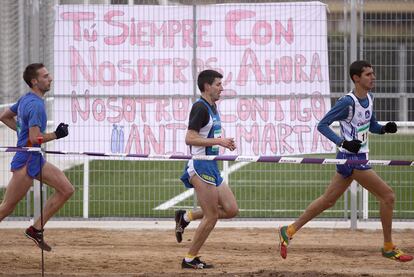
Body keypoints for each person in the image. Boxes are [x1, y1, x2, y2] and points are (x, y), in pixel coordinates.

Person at [278, 60, 413, 262]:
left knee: (328, 200)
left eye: (373, 73)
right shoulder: (346, 103)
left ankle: (289, 230)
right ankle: (388, 247)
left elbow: (371, 125)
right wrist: (343, 143)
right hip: (351, 159)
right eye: (368, 74)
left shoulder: (369, 97)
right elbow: (322, 125)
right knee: (388, 196)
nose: (373, 77)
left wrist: (385, 128)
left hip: (358, 157)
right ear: (356, 78)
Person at [0, 63, 74, 251]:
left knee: (66, 189)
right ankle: (35, 229)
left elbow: (5, 116)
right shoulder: (36, 106)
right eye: (45, 76)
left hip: (35, 159)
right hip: (26, 161)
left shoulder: (25, 100)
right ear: (35, 81)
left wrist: (21, 133)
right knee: (7, 207)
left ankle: (36, 229)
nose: (50, 79)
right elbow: (35, 138)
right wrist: (57, 134)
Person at [175, 69, 239, 269]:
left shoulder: (213, 107)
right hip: (200, 164)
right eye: (218, 84)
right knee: (211, 215)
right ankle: (189, 259)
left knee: (231, 209)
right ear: (207, 86)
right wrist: (219, 140)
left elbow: (207, 134)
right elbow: (190, 138)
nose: (222, 88)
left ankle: (186, 217)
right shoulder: (200, 108)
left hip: (211, 164)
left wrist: (224, 142)